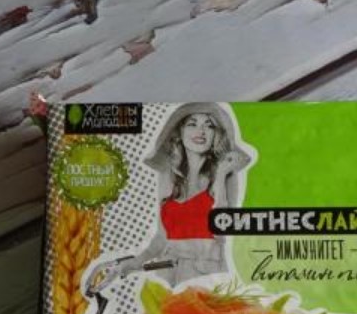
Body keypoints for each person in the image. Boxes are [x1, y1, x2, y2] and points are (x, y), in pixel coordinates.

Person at [100, 103, 252, 286]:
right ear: (180, 131)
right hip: (166, 272)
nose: (201, 131)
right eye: (192, 124)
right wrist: (132, 263)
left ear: (216, 135)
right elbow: (161, 239)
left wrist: (220, 177)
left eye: (209, 125)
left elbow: (222, 231)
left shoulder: (226, 174)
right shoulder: (168, 175)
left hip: (206, 274)